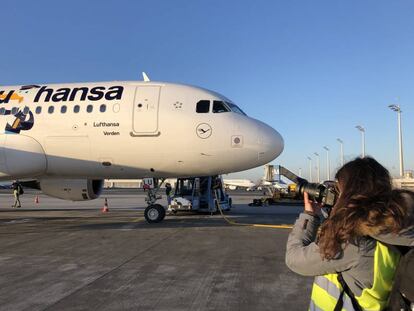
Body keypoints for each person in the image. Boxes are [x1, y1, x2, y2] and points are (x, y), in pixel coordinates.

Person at [286, 157, 414, 310]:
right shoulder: (399, 226)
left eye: (338, 190)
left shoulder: (353, 243)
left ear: (349, 193)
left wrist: (309, 215)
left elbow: (294, 259)